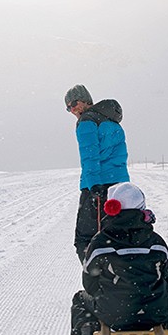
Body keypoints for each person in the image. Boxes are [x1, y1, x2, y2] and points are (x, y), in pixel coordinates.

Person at [69, 182, 168, 335]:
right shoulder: (155, 241)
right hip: (155, 313)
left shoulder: (100, 242)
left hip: (114, 316)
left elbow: (89, 283)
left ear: (111, 208)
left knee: (80, 299)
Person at [64, 84, 130, 262]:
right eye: (68, 107)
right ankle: (120, 280)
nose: (72, 109)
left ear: (86, 100)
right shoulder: (112, 122)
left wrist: (94, 185)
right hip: (120, 187)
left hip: (98, 186)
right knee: (117, 235)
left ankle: (97, 284)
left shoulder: (87, 121)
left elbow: (89, 155)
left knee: (86, 240)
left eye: (74, 103)